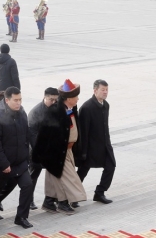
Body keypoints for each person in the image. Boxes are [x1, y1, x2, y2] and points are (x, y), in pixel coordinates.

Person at [32, 79, 86, 214]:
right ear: (68, 98)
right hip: (57, 152)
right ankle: (63, 203)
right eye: (75, 97)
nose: (78, 99)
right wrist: (39, 154)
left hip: (67, 150)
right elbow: (44, 134)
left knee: (54, 177)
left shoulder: (71, 108)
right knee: (68, 178)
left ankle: (49, 202)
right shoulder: (55, 112)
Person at [0, 87, 33, 231]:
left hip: (20, 162)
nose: (19, 103)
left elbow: (26, 136)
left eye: (20, 100)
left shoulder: (22, 114)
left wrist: (27, 156)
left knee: (27, 185)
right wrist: (4, 163)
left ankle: (21, 217)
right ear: (7, 100)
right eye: (15, 100)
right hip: (2, 164)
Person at [76, 79, 117, 202]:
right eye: (102, 90)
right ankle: (71, 196)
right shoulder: (87, 107)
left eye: (106, 90)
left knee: (111, 165)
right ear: (95, 91)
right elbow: (83, 131)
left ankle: (100, 192)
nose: (105, 92)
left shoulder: (106, 105)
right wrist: (83, 152)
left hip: (104, 145)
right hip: (90, 147)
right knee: (83, 171)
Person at [28, 88, 59, 208]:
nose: (54, 102)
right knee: (33, 176)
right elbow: (32, 135)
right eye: (51, 99)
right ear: (45, 97)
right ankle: (29, 200)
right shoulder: (35, 113)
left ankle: (51, 200)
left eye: (56, 100)